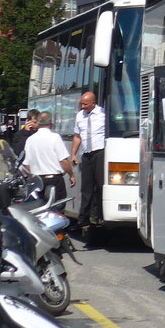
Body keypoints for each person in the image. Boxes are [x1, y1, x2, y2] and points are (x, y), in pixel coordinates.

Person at [20, 111, 74, 204]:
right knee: (57, 208)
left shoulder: (30, 139)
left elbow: (27, 165)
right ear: (51, 123)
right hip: (55, 180)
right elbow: (63, 160)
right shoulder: (55, 137)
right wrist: (71, 175)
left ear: (38, 123)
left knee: (39, 208)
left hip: (38, 181)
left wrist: (31, 178)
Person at [71, 91, 107, 230]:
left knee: (100, 186)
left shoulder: (103, 113)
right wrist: (73, 154)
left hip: (100, 152)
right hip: (87, 154)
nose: (83, 106)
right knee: (86, 188)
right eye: (82, 104)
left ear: (93, 103)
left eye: (85, 104)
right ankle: (83, 218)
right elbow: (77, 136)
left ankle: (100, 216)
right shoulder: (80, 115)